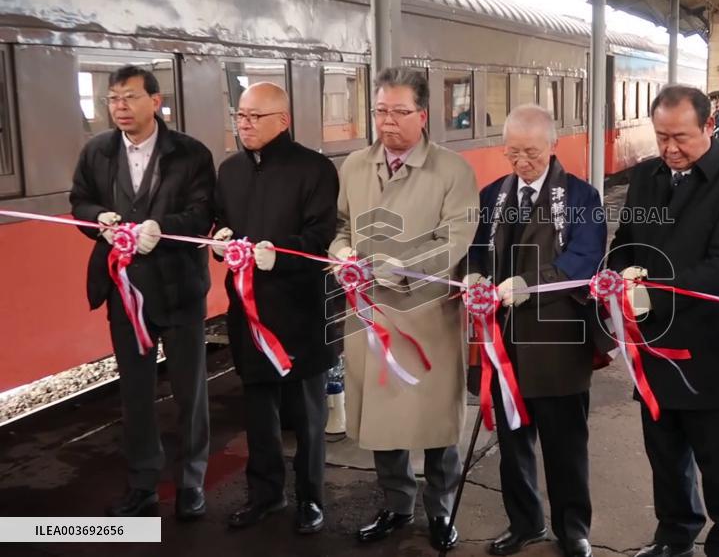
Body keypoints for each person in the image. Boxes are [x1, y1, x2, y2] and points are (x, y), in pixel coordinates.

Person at [608, 85, 719, 557]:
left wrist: (651, 292)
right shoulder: (646, 177)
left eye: (681, 137)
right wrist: (617, 278)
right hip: (652, 341)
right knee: (665, 451)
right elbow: (626, 241)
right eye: (661, 137)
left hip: (708, 344)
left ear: (709, 126)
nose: (670, 148)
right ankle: (674, 535)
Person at [328, 66, 478, 551]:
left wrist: (402, 266)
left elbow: (456, 236)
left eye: (399, 111)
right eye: (380, 111)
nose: (387, 121)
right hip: (370, 315)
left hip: (428, 317)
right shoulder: (355, 166)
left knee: (437, 425)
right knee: (383, 422)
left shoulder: (453, 170)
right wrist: (341, 254)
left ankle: (441, 510)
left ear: (423, 115)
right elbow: (341, 224)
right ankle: (396, 504)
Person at [69, 65, 214, 520]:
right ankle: (142, 484)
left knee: (190, 391)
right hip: (124, 292)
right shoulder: (96, 152)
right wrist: (98, 221)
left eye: (130, 97)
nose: (120, 107)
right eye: (113, 99)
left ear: (155, 101)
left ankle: (191, 482)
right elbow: (79, 202)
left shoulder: (190, 154)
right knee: (135, 393)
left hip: (180, 290)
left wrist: (160, 228)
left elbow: (202, 215)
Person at [466, 105, 606, 557]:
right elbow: (476, 248)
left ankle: (573, 529)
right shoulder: (493, 194)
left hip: (558, 341)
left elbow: (584, 260)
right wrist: (474, 275)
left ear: (553, 146)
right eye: (512, 152)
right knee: (512, 443)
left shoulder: (582, 197)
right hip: (504, 341)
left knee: (566, 446)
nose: (521, 161)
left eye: (531, 152)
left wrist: (530, 284)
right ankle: (524, 522)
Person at [212, 82, 338, 534]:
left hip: (301, 310)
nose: (244, 124)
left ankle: (311, 498)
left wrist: (279, 254)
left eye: (254, 117)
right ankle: (264, 494)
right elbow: (221, 223)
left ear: (283, 120)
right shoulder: (229, 170)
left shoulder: (315, 169)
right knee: (258, 409)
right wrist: (219, 242)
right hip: (248, 311)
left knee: (306, 416)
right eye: (240, 116)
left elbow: (321, 238)